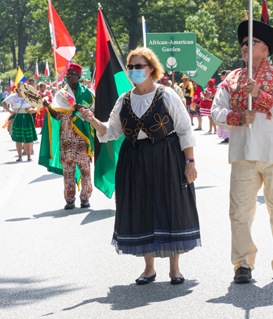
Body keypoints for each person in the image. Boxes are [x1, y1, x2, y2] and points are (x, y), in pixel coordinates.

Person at [80, 47, 200, 285]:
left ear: (151, 69)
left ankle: (175, 269)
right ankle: (148, 269)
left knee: (170, 206)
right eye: (131, 66)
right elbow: (111, 132)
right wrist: (93, 120)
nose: (134, 70)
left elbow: (185, 129)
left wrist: (190, 162)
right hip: (134, 160)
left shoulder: (167, 95)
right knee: (142, 207)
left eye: (139, 66)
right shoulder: (124, 99)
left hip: (167, 156)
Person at [212, 20, 273, 284]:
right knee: (239, 213)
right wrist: (237, 117)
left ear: (266, 49)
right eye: (243, 44)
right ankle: (242, 264)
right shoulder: (232, 78)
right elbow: (216, 111)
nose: (245, 47)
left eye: (252, 43)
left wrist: (260, 94)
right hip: (243, 154)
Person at [43, 63, 95, 209]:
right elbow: (57, 116)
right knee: (68, 172)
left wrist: (80, 108)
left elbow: (94, 113)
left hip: (82, 140)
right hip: (66, 139)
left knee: (85, 171)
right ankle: (69, 200)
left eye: (72, 74)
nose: (68, 76)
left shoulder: (88, 94)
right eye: (67, 74)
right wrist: (48, 107)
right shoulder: (61, 94)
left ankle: (85, 198)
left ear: (79, 76)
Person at [1, 88, 37, 161]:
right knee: (18, 138)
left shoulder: (29, 96)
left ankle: (28, 155)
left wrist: (34, 110)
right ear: (17, 89)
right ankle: (20, 157)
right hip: (17, 117)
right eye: (20, 88)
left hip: (27, 117)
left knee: (28, 138)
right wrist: (10, 111)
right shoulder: (13, 96)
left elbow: (36, 105)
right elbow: (3, 103)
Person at [216, 71, 230, 143]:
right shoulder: (222, 84)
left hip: (226, 104)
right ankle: (227, 136)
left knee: (226, 119)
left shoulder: (223, 84)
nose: (220, 76)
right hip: (224, 104)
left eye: (222, 75)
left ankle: (228, 137)